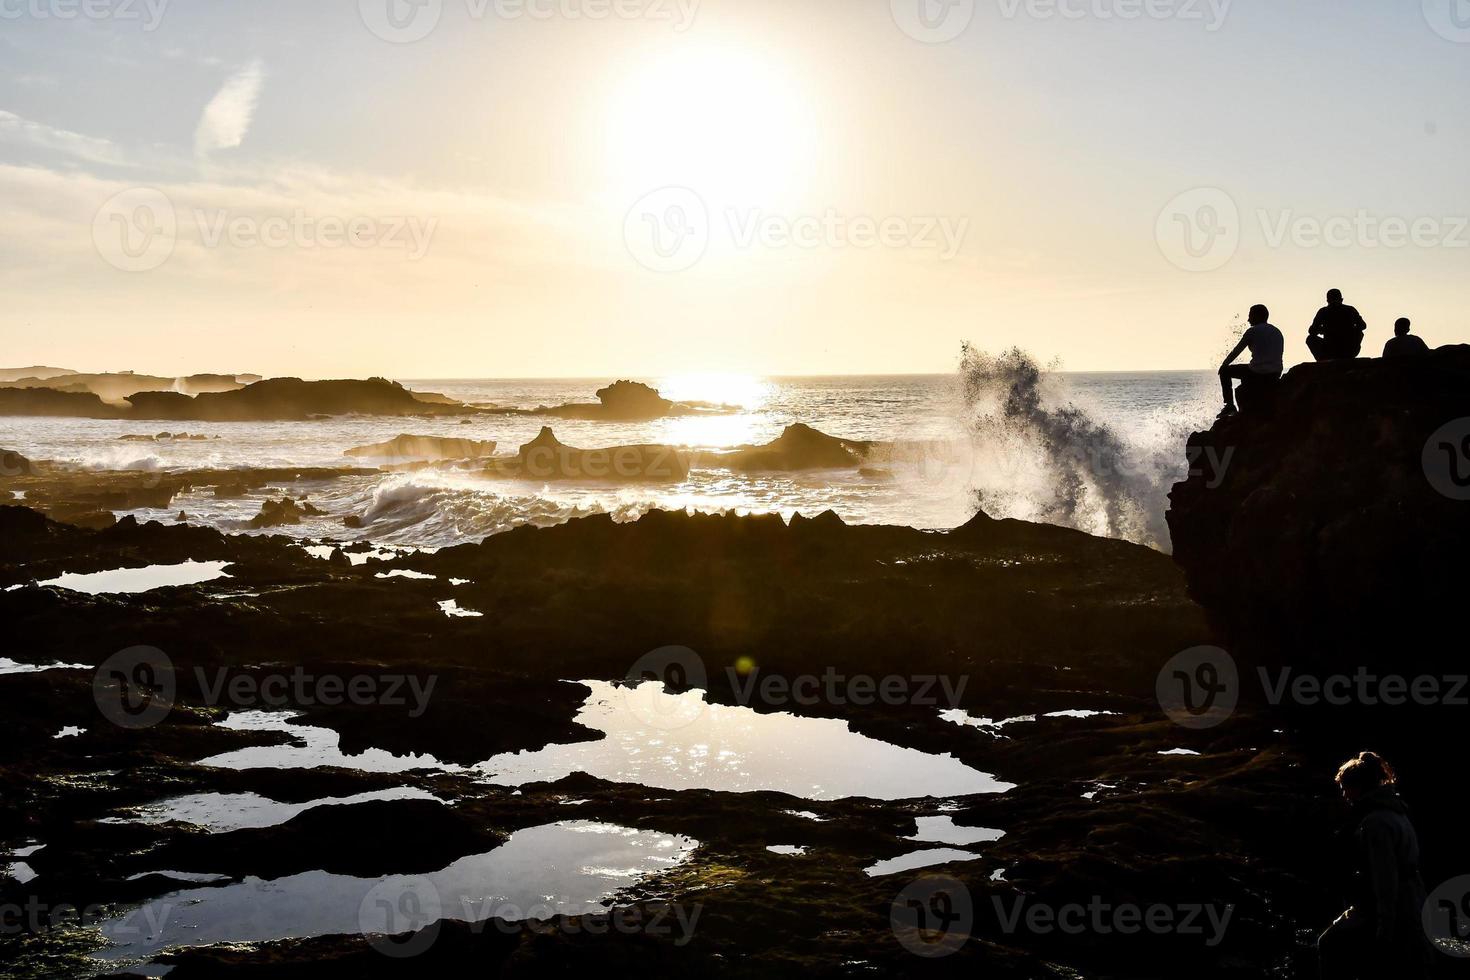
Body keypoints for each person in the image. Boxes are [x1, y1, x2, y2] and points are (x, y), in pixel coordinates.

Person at [1317, 752, 1433, 980]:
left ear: (1358, 787)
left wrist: (1384, 925)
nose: (1343, 794)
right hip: (1412, 898)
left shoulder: (1376, 823)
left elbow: (1385, 877)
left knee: (1329, 944)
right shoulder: (1397, 812)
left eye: (1345, 787)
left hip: (1392, 905)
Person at [1218, 304, 1284, 417]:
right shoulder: (1276, 331)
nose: (1248, 320)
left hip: (1258, 373)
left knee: (1225, 371)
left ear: (1257, 316)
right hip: (1275, 373)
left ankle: (1229, 406)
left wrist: (1224, 364)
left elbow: (1236, 351)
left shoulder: (1252, 331)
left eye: (1250, 316)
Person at [1308, 289, 1367, 361]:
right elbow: (1311, 331)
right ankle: (1324, 360)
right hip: (1331, 348)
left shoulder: (1324, 311)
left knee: (1359, 333)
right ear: (1341, 299)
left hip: (1346, 348)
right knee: (1310, 339)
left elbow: (1363, 326)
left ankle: (1325, 360)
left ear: (1327, 301)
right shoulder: (1349, 310)